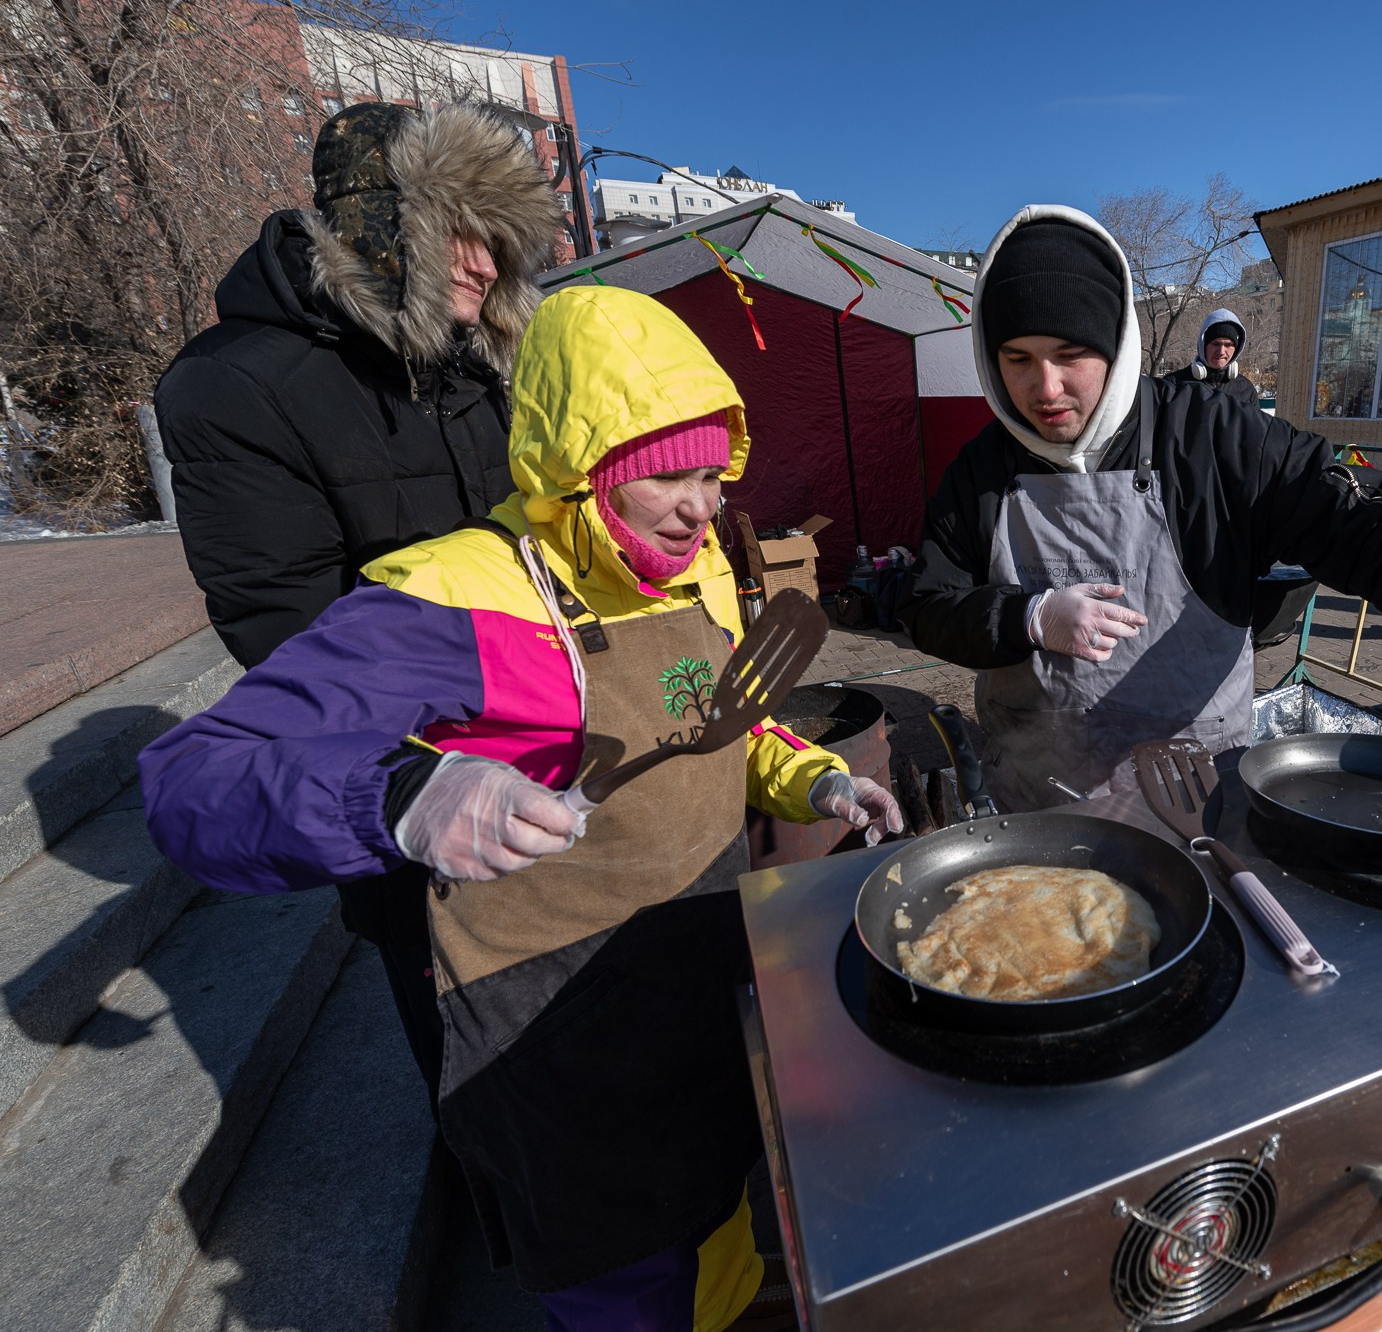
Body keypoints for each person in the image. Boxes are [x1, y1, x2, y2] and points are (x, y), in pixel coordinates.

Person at [139, 286, 902, 1330]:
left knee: (724, 1225)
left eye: (710, 472)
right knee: (625, 1281)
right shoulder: (456, 600)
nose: (698, 506)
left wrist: (813, 774)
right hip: (556, 1044)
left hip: (709, 984)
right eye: (660, 475)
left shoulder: (693, 568)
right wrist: (403, 794)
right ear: (578, 476)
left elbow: (729, 727)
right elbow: (196, 780)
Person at [906, 205, 1382, 813]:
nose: (1045, 390)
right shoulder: (982, 469)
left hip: (1196, 800)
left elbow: (1365, 525)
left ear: (1117, 342)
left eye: (1070, 355)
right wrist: (1030, 619)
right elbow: (927, 605)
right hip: (1038, 807)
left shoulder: (1213, 437)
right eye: (1017, 359)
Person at [152, 101, 562, 1103]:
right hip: (416, 792)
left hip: (557, 760)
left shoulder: (483, 357)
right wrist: (427, 784)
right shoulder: (236, 386)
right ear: (386, 225)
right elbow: (283, 626)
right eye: (458, 229)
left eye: (499, 234)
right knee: (475, 1073)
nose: (484, 261)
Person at [1163, 309, 1260, 407]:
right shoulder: (1172, 385)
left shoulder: (1246, 390)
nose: (1221, 351)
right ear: (1203, 345)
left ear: (1236, 348)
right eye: (1215, 344)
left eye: (1228, 345)